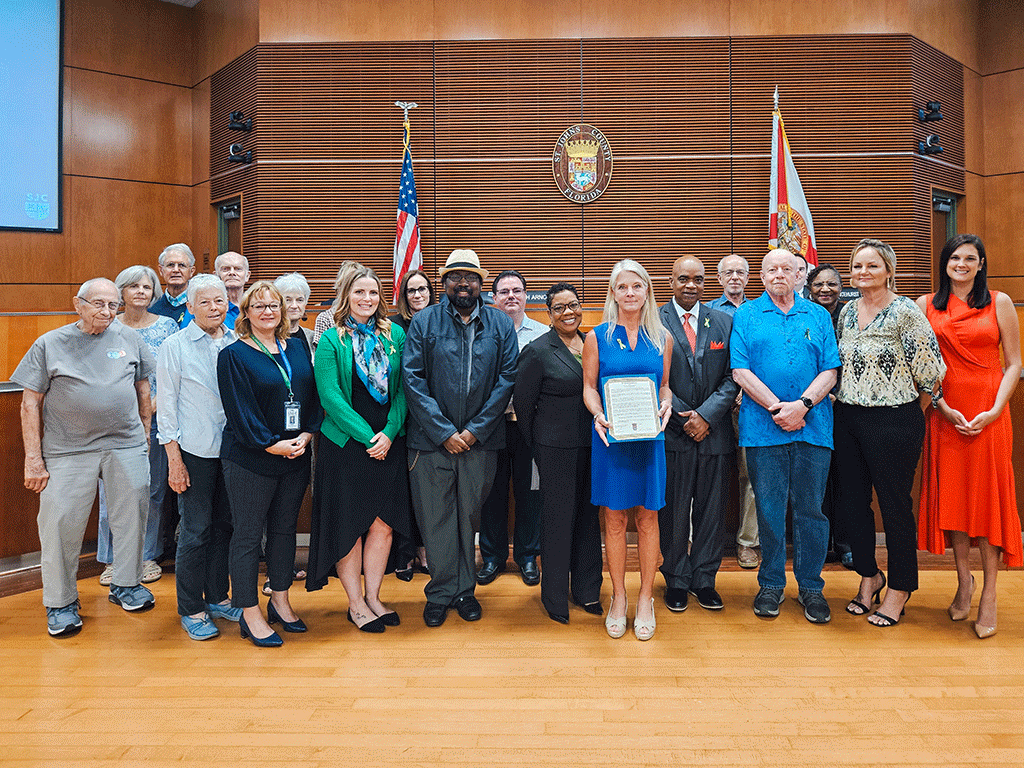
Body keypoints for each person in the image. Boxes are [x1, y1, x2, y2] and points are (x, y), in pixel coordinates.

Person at [13, 278, 156, 636]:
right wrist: (34, 459)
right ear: (78, 304)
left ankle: (126, 584)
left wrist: (144, 436)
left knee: (133, 517)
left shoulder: (129, 339)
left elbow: (143, 387)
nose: (107, 312)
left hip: (125, 444)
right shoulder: (50, 343)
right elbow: (30, 402)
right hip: (67, 449)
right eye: (98, 304)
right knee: (60, 525)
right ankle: (60, 602)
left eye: (112, 305)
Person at [402, 249, 518, 627]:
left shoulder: (500, 325)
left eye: (470, 278)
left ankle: (465, 590)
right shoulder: (424, 322)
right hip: (430, 441)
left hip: (480, 442)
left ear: (481, 284)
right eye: (455, 277)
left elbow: (506, 381)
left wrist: (473, 431)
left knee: (469, 517)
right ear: (444, 283)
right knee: (435, 517)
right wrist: (444, 432)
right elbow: (413, 379)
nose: (463, 284)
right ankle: (439, 592)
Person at [835, 239, 945, 628]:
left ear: (889, 271)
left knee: (895, 507)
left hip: (895, 420)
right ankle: (869, 575)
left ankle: (900, 588)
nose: (864, 273)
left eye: (872, 266)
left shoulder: (906, 312)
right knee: (852, 505)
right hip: (848, 418)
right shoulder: (847, 312)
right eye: (858, 266)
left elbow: (931, 372)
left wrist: (909, 415)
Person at [917, 234, 1021, 639]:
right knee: (955, 500)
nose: (962, 264)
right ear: (944, 263)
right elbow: (923, 366)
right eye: (955, 257)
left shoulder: (1000, 302)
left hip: (989, 412)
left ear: (981, 264)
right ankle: (964, 583)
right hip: (945, 412)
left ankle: (990, 592)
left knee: (987, 501)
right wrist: (942, 405)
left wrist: (995, 409)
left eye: (970, 258)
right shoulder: (926, 306)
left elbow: (1013, 363)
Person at [731, 249, 839, 625]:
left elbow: (831, 370)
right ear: (761, 277)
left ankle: (811, 586)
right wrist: (780, 408)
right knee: (769, 510)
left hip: (814, 427)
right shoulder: (745, 315)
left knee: (811, 510)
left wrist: (803, 405)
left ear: (800, 274)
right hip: (763, 431)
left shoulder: (819, 315)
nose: (779, 274)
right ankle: (771, 584)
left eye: (787, 269)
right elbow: (740, 371)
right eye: (771, 269)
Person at [217, 281, 323, 646]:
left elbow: (311, 396)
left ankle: (280, 599)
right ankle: (249, 611)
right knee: (247, 536)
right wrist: (271, 445)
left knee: (284, 531)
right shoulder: (233, 354)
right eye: (258, 306)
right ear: (245, 313)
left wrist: (307, 435)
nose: (267, 312)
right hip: (250, 458)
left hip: (295, 453)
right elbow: (239, 411)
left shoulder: (295, 347)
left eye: (273, 306)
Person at [308, 267, 409, 632]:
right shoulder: (332, 339)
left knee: (383, 525)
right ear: (345, 295)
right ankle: (355, 603)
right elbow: (330, 396)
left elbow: (403, 390)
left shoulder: (395, 333)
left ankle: (374, 596)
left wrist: (389, 432)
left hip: (389, 442)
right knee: (349, 526)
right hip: (347, 445)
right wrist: (369, 437)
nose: (367, 299)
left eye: (372, 293)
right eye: (359, 292)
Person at [583, 259, 673, 641]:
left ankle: (646, 598)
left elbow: (665, 385)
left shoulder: (662, 338)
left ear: (647, 290)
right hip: (611, 439)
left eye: (637, 286)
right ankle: (619, 598)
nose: (630, 293)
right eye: (623, 287)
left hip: (649, 440)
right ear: (613, 293)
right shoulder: (596, 336)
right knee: (616, 521)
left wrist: (667, 401)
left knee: (648, 520)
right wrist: (598, 413)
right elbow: (588, 387)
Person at [514, 282, 603, 624]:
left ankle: (588, 591)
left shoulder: (593, 343)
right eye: (560, 307)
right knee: (557, 521)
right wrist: (538, 446)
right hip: (555, 450)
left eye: (574, 305)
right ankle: (554, 599)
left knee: (587, 520)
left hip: (595, 447)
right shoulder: (538, 350)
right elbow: (523, 405)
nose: (569, 312)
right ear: (548, 314)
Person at [158, 275, 241, 640]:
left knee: (225, 526)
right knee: (195, 531)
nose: (214, 308)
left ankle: (218, 597)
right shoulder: (174, 346)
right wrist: (174, 460)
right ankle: (191, 607)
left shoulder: (238, 341)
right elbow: (167, 410)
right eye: (204, 302)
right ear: (189, 307)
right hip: (194, 453)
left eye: (219, 301)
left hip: (235, 452)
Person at [658, 256, 738, 613]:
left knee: (712, 511)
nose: (691, 285)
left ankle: (704, 579)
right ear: (670, 281)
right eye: (683, 279)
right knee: (673, 511)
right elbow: (649, 376)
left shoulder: (723, 321)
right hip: (671, 432)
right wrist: (682, 415)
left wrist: (705, 416)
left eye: (699, 279)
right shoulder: (652, 320)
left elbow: (734, 375)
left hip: (715, 433)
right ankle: (675, 578)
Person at [95, 266, 177, 588]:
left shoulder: (168, 326)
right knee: (110, 493)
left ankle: (146, 556)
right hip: (113, 420)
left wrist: (150, 405)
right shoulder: (107, 326)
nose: (141, 292)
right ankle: (114, 559)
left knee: (152, 490)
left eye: (146, 286)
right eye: (133, 287)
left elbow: (172, 373)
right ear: (122, 293)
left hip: (156, 419)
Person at [477, 269, 547, 587]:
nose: (511, 296)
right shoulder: (480, 333)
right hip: (492, 427)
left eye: (517, 290)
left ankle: (528, 556)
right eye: (503, 291)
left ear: (526, 295)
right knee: (492, 493)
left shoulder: (544, 334)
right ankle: (492, 557)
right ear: (493, 298)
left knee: (530, 492)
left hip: (529, 428)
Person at [706, 254, 759, 570]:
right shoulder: (709, 313)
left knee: (750, 475)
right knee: (706, 474)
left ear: (749, 276)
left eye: (740, 272)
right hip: (715, 406)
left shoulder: (757, 312)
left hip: (750, 405)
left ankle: (747, 542)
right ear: (719, 277)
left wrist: (745, 392)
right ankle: (693, 540)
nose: (735, 277)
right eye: (728, 272)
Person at [388, 267, 435, 581]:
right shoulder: (393, 327)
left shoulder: (441, 322)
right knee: (402, 491)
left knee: (426, 492)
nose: (417, 295)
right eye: (411, 290)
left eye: (422, 289)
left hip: (433, 421)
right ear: (403, 296)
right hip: (401, 419)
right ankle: (403, 554)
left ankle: (425, 551)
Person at [807, 262, 853, 568]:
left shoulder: (853, 315)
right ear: (809, 288)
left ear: (841, 287)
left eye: (832, 284)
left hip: (848, 408)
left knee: (847, 479)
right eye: (818, 284)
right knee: (818, 481)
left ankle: (846, 543)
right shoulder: (805, 316)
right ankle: (819, 545)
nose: (825, 289)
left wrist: (840, 393)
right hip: (815, 408)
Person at [181, 251, 248, 329]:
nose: (232, 273)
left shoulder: (255, 306)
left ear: (247, 275)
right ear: (215, 275)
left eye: (238, 269)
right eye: (225, 269)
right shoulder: (199, 307)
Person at [313, 261, 364, 350]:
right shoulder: (325, 318)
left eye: (360, 290)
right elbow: (322, 356)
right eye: (348, 285)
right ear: (339, 287)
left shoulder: (370, 316)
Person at [150, 243, 196, 326]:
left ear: (191, 271)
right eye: (170, 265)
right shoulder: (151, 308)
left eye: (182, 265)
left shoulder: (200, 305)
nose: (176, 270)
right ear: (161, 270)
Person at [275, 272, 314, 354]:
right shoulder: (269, 335)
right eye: (288, 300)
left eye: (299, 300)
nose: (294, 306)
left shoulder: (312, 337)